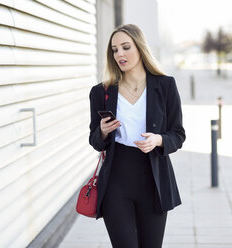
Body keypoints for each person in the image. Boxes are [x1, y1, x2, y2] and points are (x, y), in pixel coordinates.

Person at [88, 24, 186, 248]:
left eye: (125, 47)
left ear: (140, 48)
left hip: (154, 181)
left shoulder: (165, 86)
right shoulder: (100, 92)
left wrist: (158, 140)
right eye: (114, 50)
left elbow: (178, 134)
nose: (119, 54)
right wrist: (102, 131)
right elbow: (94, 141)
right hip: (116, 180)